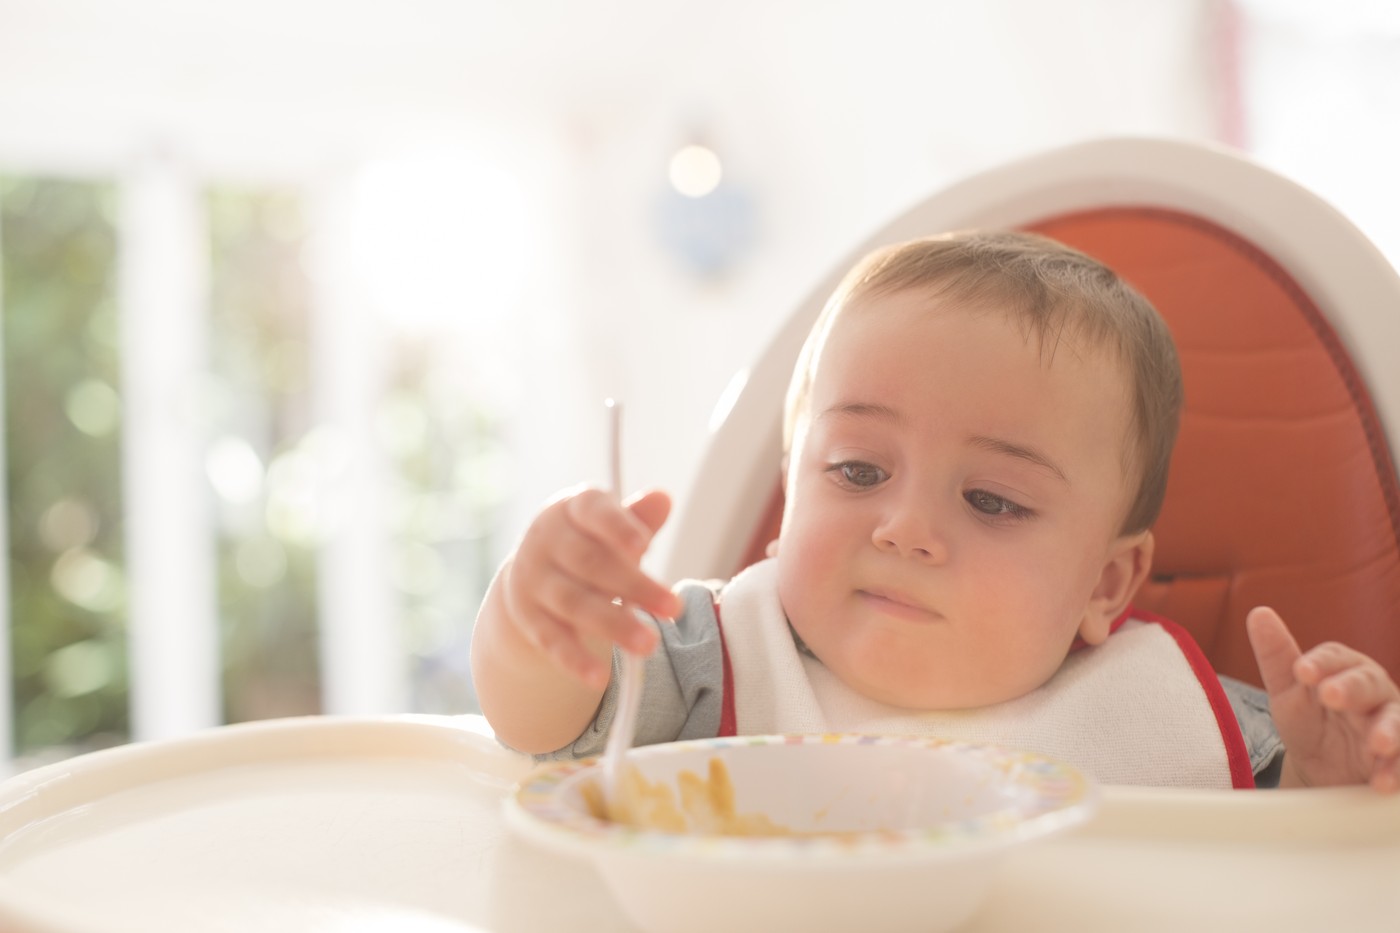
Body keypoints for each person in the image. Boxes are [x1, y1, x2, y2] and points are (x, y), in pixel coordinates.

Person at [470, 231, 1400, 792]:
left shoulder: (1172, 716)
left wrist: (1327, 782)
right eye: (858, 470)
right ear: (789, 496)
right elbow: (545, 726)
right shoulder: (713, 663)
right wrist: (537, 618)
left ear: (1106, 582)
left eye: (992, 499)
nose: (905, 527)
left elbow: (1291, 866)